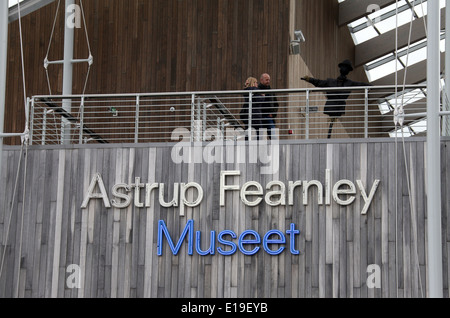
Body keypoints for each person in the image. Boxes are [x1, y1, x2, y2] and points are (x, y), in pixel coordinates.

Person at [301, 60, 371, 138]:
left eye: (346, 68)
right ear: (340, 68)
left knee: (331, 126)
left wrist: (369, 86)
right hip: (331, 105)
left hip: (339, 106)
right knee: (330, 127)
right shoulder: (330, 81)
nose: (344, 69)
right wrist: (309, 79)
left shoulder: (349, 83)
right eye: (343, 67)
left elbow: (360, 84)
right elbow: (319, 82)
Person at [258, 73, 279, 140]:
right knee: (260, 137)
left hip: (269, 117)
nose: (268, 81)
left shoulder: (271, 91)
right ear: (261, 80)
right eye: (266, 80)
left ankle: (275, 149)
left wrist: (273, 114)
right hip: (260, 117)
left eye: (269, 80)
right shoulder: (257, 90)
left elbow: (276, 104)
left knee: (273, 136)